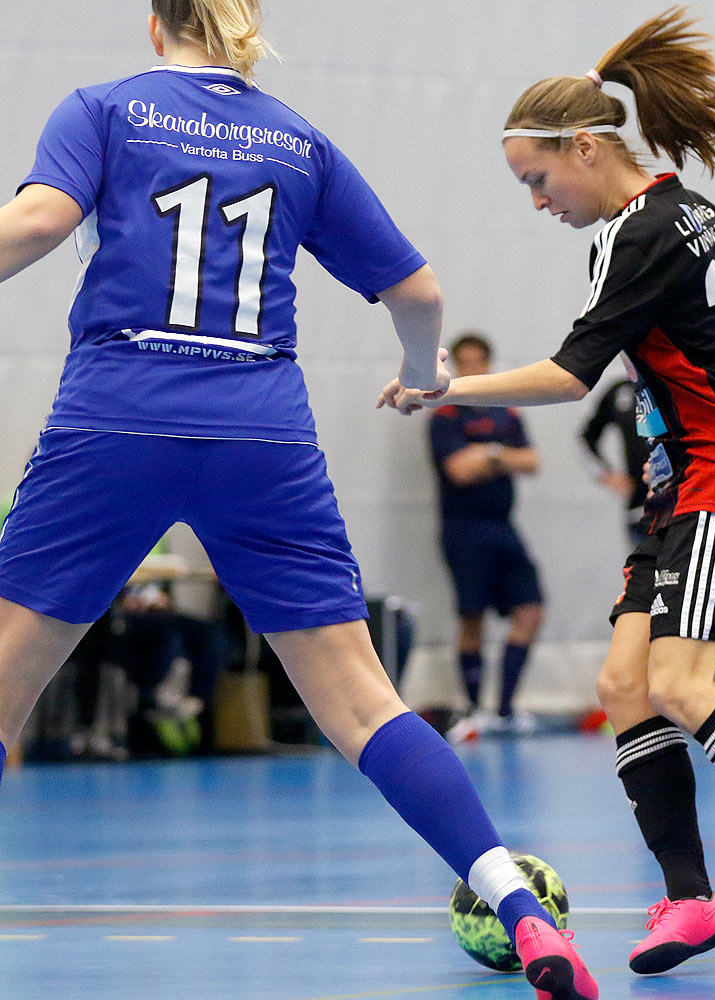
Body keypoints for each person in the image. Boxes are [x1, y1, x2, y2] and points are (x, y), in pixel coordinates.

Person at [0, 4, 595, 997]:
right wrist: (422, 373)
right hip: (261, 433)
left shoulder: (103, 108)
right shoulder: (298, 140)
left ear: (157, 27)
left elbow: (35, 223)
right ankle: (520, 908)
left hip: (118, 417)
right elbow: (418, 291)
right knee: (365, 703)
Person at [380, 10, 715, 974]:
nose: (536, 202)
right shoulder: (697, 213)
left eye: (538, 179)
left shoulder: (637, 233)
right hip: (697, 476)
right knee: (624, 685)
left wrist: (447, 383)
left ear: (585, 147)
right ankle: (690, 901)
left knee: (680, 684)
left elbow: (575, 375)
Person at [429, 331, 546, 741]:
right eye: (467, 362)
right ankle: (475, 709)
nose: (474, 369)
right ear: (457, 366)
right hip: (463, 529)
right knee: (472, 616)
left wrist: (489, 454)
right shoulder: (445, 416)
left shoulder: (507, 413)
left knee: (530, 609)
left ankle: (506, 708)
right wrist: (501, 455)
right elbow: (458, 470)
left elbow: (531, 461)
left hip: (503, 525)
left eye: (481, 361)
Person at [578, 374, 654, 550]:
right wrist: (606, 474)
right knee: (643, 574)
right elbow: (586, 437)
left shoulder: (680, 383)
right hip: (639, 509)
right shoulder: (622, 391)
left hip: (682, 506)